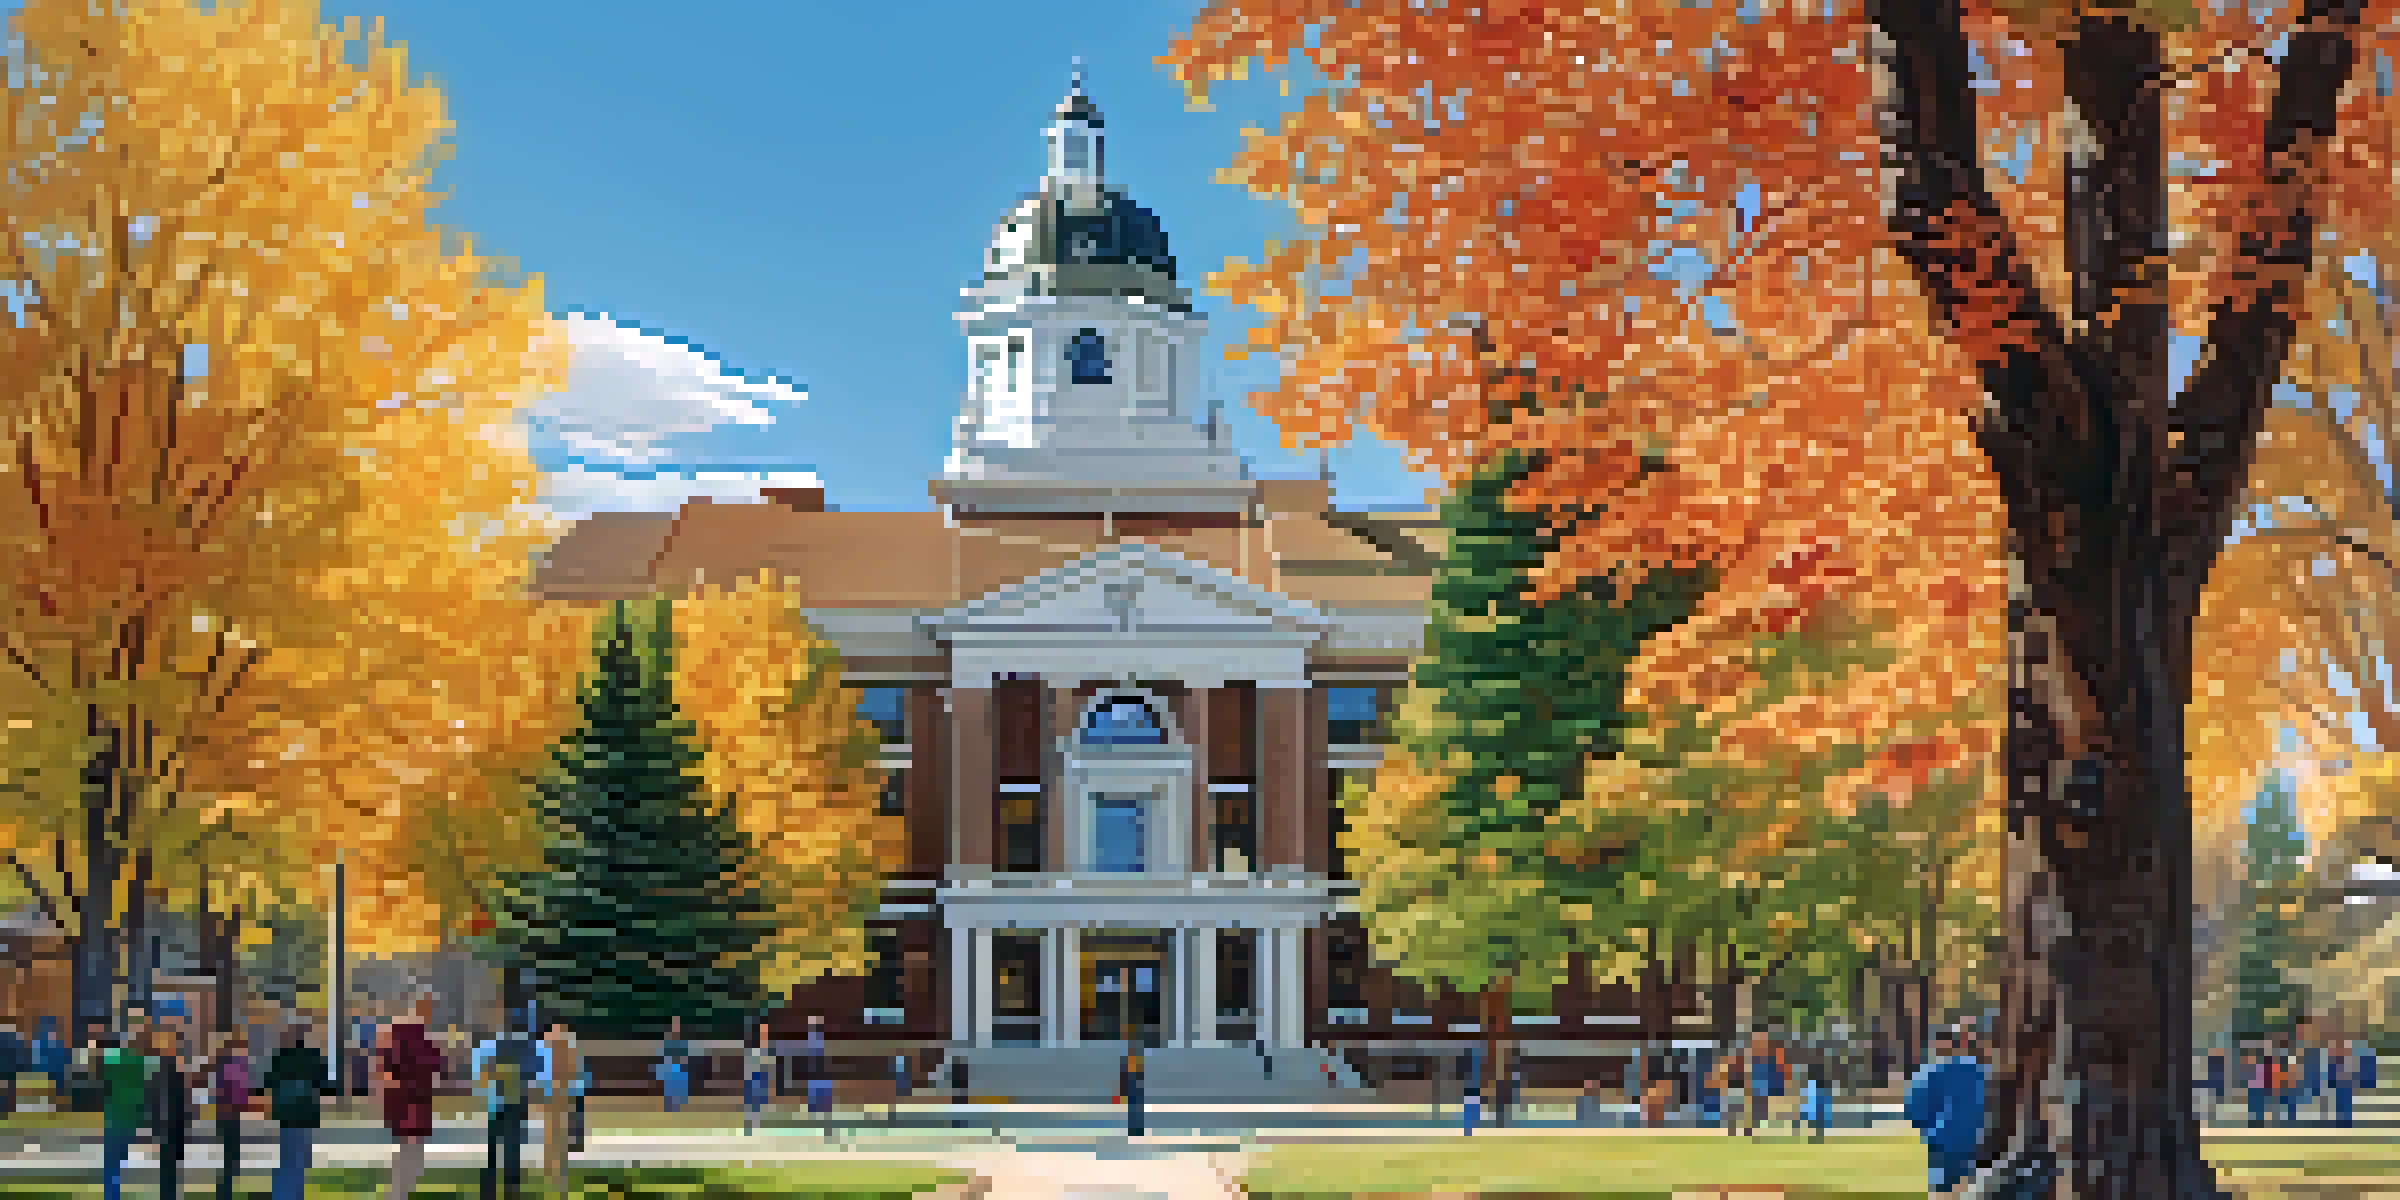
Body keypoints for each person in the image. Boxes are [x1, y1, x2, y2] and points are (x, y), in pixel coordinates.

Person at [1904, 1025, 1987, 1194]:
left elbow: (1915, 1110)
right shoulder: (1980, 1071)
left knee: (1943, 1189)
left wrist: (1928, 1131)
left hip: (1942, 1142)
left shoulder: (1930, 1072)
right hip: (1978, 1140)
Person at [378, 996, 444, 1200]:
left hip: (416, 1098)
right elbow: (388, 1067)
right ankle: (399, 1192)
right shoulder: (406, 1035)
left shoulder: (422, 1038)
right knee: (410, 1146)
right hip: (409, 1099)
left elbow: (436, 1067)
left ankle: (401, 1190)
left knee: (412, 1148)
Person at [262, 1021, 329, 1200]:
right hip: (305, 1113)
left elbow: (267, 1083)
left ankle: (281, 1194)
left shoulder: (280, 1056)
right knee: (300, 1159)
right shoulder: (313, 1056)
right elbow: (324, 1083)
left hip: (285, 1114)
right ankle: (293, 1194)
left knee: (286, 1157)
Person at [473, 1026, 537, 1200]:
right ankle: (507, 1188)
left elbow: (482, 1077)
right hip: (507, 1106)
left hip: (504, 1106)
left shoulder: (494, 1053)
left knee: (501, 1149)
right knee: (507, 1149)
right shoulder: (518, 1054)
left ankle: (497, 1188)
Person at [96, 1033, 151, 1200]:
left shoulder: (109, 1062)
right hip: (132, 1118)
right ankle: (115, 1192)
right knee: (120, 1160)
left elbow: (102, 1089)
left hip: (115, 1118)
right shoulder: (137, 1061)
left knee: (111, 1163)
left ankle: (112, 1195)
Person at [151, 1027, 194, 1200]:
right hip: (166, 1123)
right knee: (168, 1166)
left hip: (175, 1122)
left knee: (173, 1166)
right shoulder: (161, 1069)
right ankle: (167, 1194)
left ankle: (170, 1194)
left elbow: (184, 1099)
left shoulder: (179, 1069)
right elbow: (155, 1098)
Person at [538, 1024, 578, 1196]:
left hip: (560, 1097)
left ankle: (558, 1172)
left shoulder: (568, 1053)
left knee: (559, 1136)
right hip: (552, 1097)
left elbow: (573, 1075)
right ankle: (553, 1172)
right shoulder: (546, 1051)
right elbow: (540, 1075)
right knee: (552, 1136)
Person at [212, 1033, 253, 1200]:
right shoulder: (236, 1064)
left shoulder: (226, 1063)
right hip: (230, 1112)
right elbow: (237, 1090)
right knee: (231, 1153)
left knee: (230, 1152)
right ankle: (225, 1189)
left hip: (227, 1112)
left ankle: (225, 1187)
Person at [1745, 1031, 1785, 1139]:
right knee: (1757, 1108)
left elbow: (1779, 1068)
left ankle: (1758, 1130)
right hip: (1758, 1086)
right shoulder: (1754, 1056)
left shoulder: (1773, 1055)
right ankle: (1753, 1130)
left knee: (1765, 1108)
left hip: (1766, 1084)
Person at [742, 1023, 773, 1136]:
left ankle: (758, 1127)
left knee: (762, 1102)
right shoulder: (751, 1048)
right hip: (754, 1075)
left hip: (762, 1075)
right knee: (752, 1101)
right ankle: (750, 1128)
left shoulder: (766, 1049)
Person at [657, 1018, 691, 1114]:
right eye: (674, 1025)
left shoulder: (683, 1043)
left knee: (679, 1094)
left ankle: (678, 1110)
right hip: (670, 1070)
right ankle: (669, 1110)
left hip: (680, 1070)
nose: (676, 1028)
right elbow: (663, 1056)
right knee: (669, 1094)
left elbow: (685, 1057)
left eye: (677, 1026)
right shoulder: (667, 1042)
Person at [2330, 1038, 2358, 1129]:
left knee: (2344, 1107)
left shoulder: (2350, 1060)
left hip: (2344, 1088)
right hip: (2340, 1088)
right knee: (2341, 1107)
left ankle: (2343, 1124)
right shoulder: (2334, 1061)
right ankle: (2342, 1124)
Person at [1800, 1065, 1830, 1143]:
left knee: (1816, 1122)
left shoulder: (1811, 1085)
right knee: (1815, 1122)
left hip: (1816, 1108)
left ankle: (1815, 1138)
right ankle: (1815, 1138)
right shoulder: (1811, 1085)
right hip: (1815, 1108)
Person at [2244, 1050, 2269, 1127]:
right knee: (2254, 1108)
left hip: (2258, 1088)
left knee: (2258, 1108)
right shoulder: (2251, 1065)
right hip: (2254, 1088)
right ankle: (2254, 1123)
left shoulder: (2262, 1065)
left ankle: (2257, 1123)